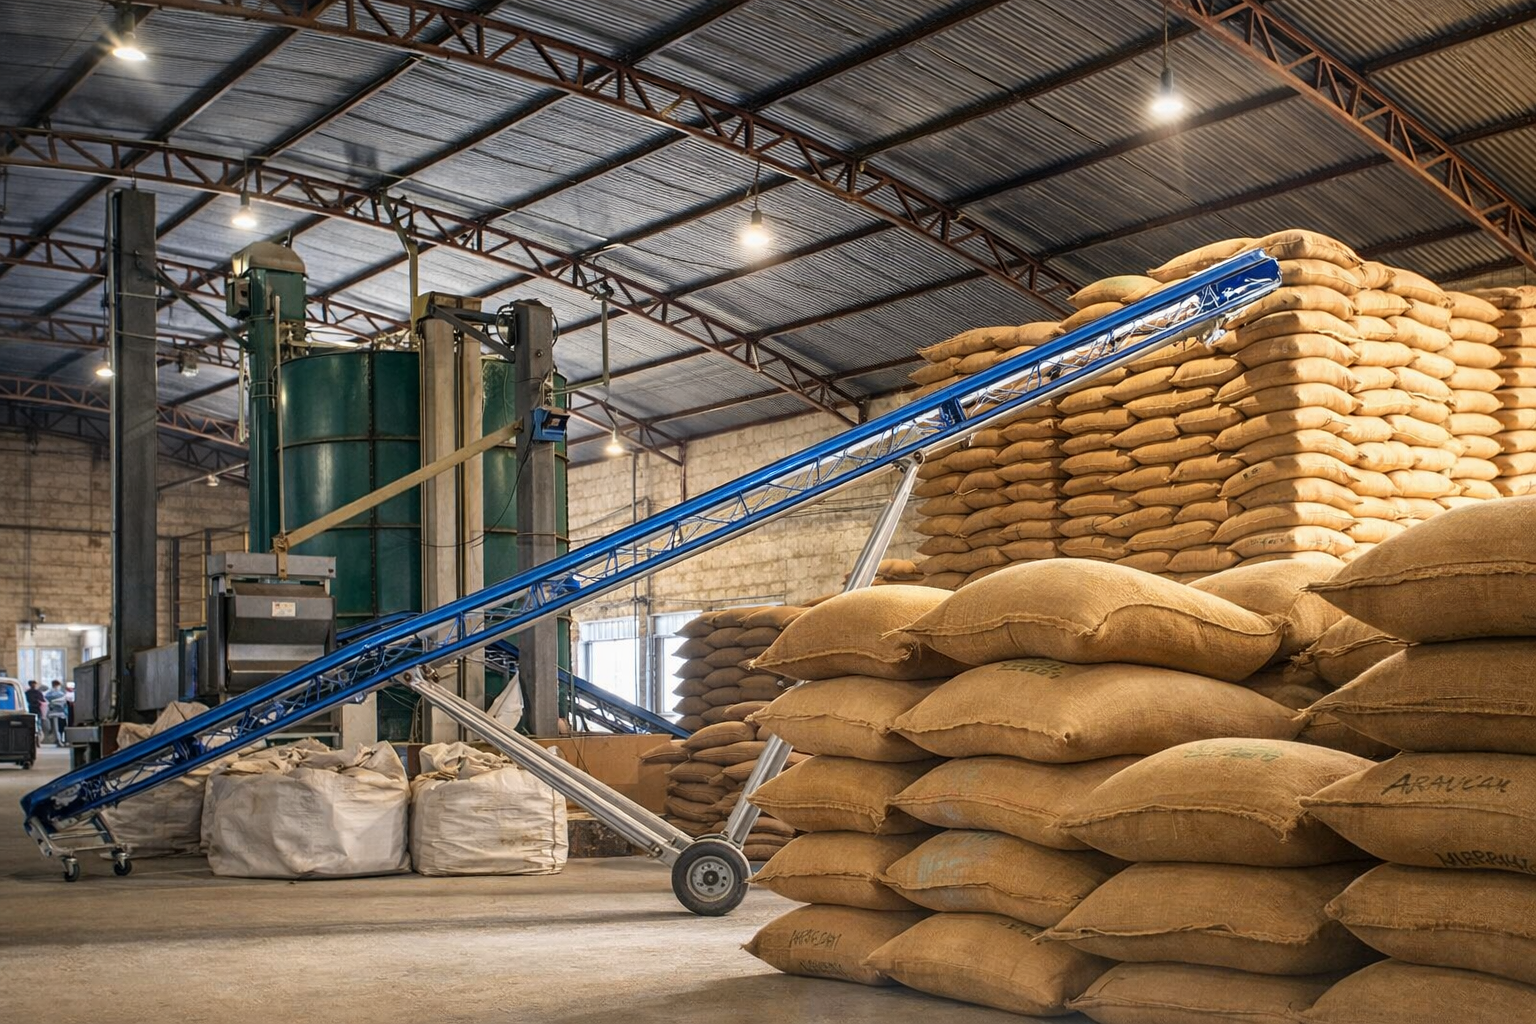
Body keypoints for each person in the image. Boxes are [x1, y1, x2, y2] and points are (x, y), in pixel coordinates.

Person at [44, 680, 68, 746]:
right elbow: (64, 702)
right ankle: (59, 741)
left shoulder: (48, 694)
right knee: (59, 728)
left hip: (53, 713)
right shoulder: (61, 694)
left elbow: (47, 702)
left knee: (55, 728)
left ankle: (59, 740)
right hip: (59, 713)